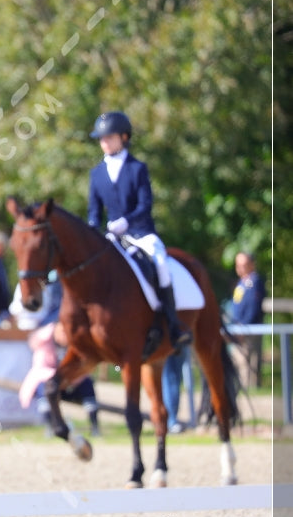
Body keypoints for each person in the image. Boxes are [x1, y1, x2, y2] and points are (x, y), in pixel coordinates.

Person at [87, 111, 191, 352]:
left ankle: (173, 325)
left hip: (140, 233)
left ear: (124, 137)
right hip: (112, 237)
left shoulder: (137, 168)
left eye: (109, 137)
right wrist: (92, 231)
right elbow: (94, 211)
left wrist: (126, 221)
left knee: (160, 262)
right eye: (102, 138)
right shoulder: (97, 173)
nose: (105, 142)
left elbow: (145, 205)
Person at [12, 277, 100, 437]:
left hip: (71, 378)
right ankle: (51, 426)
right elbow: (42, 369)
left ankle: (95, 427)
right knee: (44, 387)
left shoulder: (74, 341)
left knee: (87, 384)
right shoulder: (45, 342)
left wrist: (72, 376)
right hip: (52, 377)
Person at [229, 251, 266, 388]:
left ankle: (251, 389)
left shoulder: (253, 282)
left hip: (249, 329)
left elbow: (252, 307)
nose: (240, 268)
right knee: (239, 361)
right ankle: (242, 388)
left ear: (252, 265)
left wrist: (243, 327)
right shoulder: (242, 282)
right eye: (238, 265)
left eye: (243, 265)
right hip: (238, 328)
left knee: (250, 362)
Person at [162, 345, 193, 434]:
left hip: (169, 344)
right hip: (181, 342)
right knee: (173, 379)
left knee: (170, 379)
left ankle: (170, 421)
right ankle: (171, 420)